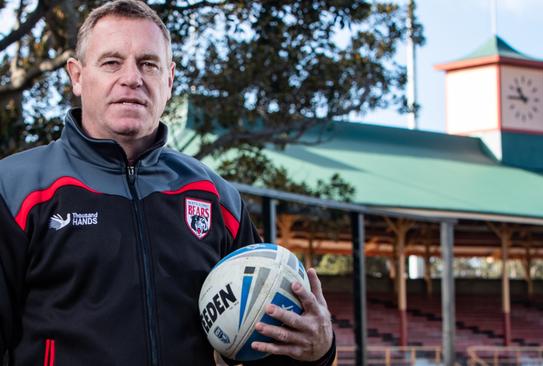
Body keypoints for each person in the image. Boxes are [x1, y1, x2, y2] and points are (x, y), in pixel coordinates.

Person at [0, 1, 335, 365]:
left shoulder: (216, 198)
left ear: (169, 79)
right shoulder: (15, 189)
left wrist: (317, 348)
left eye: (148, 64)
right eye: (112, 62)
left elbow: (269, 344)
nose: (132, 78)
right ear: (77, 76)